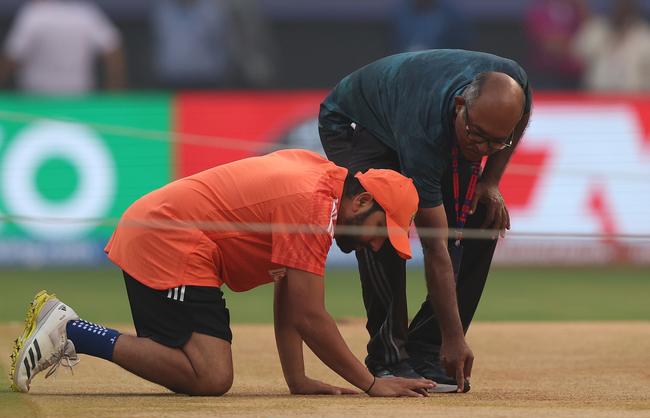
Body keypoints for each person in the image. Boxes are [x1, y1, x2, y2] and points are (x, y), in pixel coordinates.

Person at [10, 149, 435, 397]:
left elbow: (289, 290)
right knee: (210, 376)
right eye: (381, 231)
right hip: (168, 241)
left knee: (198, 369)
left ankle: (72, 331)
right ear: (361, 203)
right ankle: (72, 332)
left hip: (166, 238)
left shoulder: (324, 186)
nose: (377, 245)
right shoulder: (314, 204)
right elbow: (309, 315)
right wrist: (370, 383)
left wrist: (297, 377)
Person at [319, 50, 532, 393]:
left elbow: (514, 124)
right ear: (461, 105)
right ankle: (388, 357)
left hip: (429, 116)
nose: (481, 148)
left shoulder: (514, 84)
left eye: (496, 141)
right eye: (476, 135)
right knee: (380, 217)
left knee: (482, 214)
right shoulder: (425, 131)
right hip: (360, 124)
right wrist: (455, 336)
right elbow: (435, 246)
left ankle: (426, 349)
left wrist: (490, 181)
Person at [0, 0, 126, 94]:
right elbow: (113, 51)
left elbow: (11, 57)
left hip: (40, 97)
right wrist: (114, 91)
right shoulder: (86, 14)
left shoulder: (33, 15)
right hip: (74, 96)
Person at [572, 0, 650, 92]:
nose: (620, 9)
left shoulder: (643, 33)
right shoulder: (596, 28)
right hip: (598, 94)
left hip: (633, 96)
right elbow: (576, 53)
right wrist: (608, 38)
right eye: (617, 5)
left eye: (625, 5)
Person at [525, 0, 586, 89]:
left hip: (575, 76)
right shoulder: (539, 10)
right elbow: (550, 46)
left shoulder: (578, 11)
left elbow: (590, 37)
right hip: (546, 75)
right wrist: (575, 46)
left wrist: (582, 8)